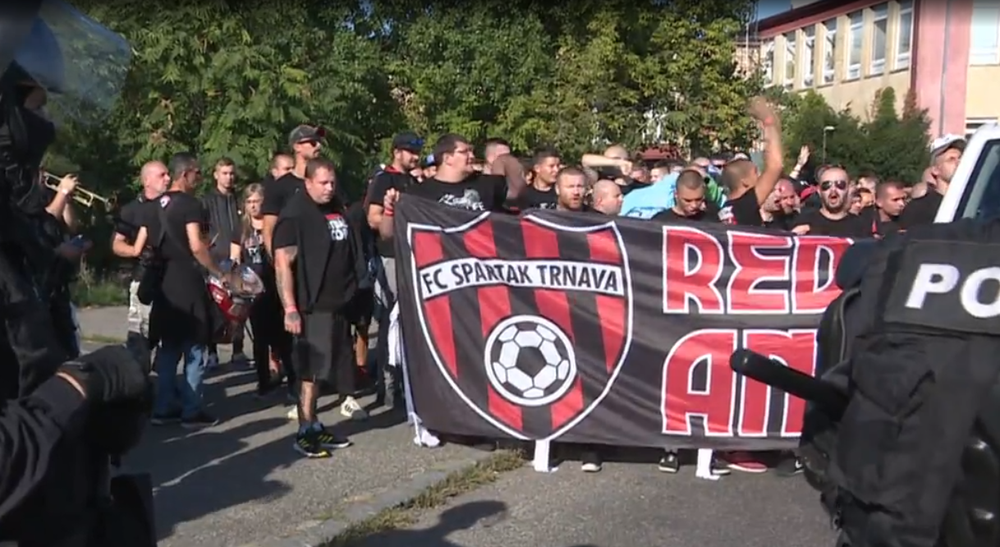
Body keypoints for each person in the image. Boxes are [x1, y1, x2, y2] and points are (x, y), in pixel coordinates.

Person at [273, 158, 369, 456]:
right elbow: (282, 264)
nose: (330, 188)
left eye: (332, 182)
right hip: (312, 306)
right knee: (310, 372)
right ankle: (304, 430)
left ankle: (316, 425)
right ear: (308, 182)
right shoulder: (295, 215)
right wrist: (290, 307)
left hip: (339, 302)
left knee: (332, 368)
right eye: (323, 183)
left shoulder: (334, 207)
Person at [146, 152, 230, 428]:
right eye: (198, 173)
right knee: (195, 347)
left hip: (163, 282)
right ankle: (192, 411)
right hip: (187, 280)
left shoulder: (155, 204)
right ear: (185, 174)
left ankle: (163, 407)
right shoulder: (191, 205)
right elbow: (196, 245)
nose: (200, 178)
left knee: (169, 347)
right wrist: (218, 272)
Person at [365, 131, 422, 409]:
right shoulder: (384, 179)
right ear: (396, 152)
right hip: (390, 257)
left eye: (417, 152)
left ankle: (408, 382)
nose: (415, 156)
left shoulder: (414, 181)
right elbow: (373, 218)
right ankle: (387, 387)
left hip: (414, 255)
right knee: (391, 321)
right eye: (410, 151)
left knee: (412, 321)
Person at [232, 184, 295, 400]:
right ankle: (263, 382)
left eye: (257, 201)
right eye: (249, 202)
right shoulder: (241, 229)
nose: (253, 206)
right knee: (260, 340)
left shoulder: (272, 226)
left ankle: (292, 381)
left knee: (283, 338)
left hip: (275, 287)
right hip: (254, 292)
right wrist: (237, 285)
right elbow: (235, 261)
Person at [113, 161, 169, 372]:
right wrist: (135, 251)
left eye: (168, 174)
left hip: (170, 278)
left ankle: (165, 386)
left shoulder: (171, 204)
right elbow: (117, 243)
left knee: (168, 337)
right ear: (147, 180)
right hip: (143, 277)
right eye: (162, 175)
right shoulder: (132, 209)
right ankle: (138, 383)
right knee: (139, 336)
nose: (168, 179)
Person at [202, 157, 248, 369]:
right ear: (216, 174)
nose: (229, 178)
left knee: (239, 307)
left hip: (237, 260)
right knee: (214, 308)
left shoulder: (239, 199)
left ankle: (238, 350)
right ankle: (212, 352)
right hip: (215, 260)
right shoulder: (206, 200)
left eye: (231, 173)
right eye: (224, 173)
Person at [718, 98, 784, 227]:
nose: (760, 176)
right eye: (755, 172)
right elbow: (775, 165)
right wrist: (768, 123)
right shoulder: (745, 205)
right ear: (744, 182)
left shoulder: (725, 210)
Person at [790, 166, 872, 238]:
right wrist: (793, 236)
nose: (833, 190)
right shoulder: (802, 221)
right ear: (819, 191)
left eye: (840, 185)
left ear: (848, 189)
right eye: (826, 185)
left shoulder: (861, 226)